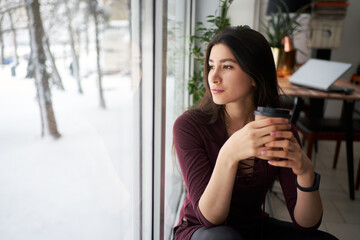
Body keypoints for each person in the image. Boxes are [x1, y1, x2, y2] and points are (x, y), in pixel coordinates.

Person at [172, 27, 338, 240]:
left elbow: (307, 224)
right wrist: (229, 154)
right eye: (211, 66)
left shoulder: (278, 131)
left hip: (252, 229)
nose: (213, 77)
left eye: (227, 67)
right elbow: (211, 219)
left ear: (254, 76)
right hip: (201, 232)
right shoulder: (189, 126)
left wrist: (305, 172)